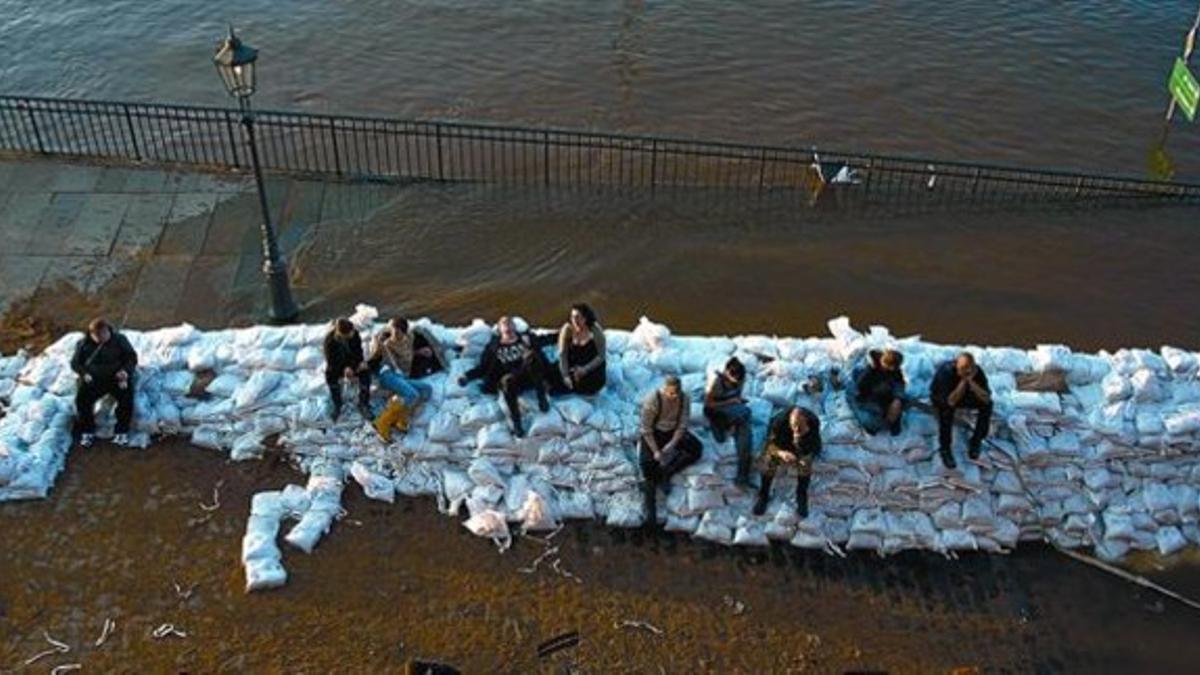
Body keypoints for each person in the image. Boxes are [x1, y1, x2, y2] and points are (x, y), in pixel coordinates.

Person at [458, 316, 551, 438]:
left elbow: (546, 342)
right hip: (510, 380)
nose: (507, 326)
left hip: (528, 375)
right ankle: (517, 423)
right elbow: (483, 367)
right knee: (507, 381)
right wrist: (467, 376)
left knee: (531, 356)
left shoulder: (525, 339)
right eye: (504, 324)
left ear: (515, 327)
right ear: (500, 329)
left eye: (510, 323)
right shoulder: (494, 347)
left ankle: (541, 397)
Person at [638, 376, 703, 530]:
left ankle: (667, 472)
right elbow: (646, 429)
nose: (674, 397)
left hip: (672, 433)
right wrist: (656, 451)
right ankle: (651, 513)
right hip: (654, 433)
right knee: (648, 466)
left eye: (677, 393)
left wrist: (671, 445)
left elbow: (682, 424)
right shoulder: (653, 400)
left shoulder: (684, 398)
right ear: (665, 390)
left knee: (696, 449)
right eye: (671, 394)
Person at [368, 317, 445, 439]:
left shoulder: (410, 338)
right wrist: (378, 343)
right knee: (412, 394)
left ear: (404, 332)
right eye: (392, 331)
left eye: (397, 332)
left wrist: (420, 352)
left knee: (427, 390)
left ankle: (400, 417)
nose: (394, 334)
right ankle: (382, 422)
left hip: (402, 376)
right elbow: (375, 357)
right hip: (388, 374)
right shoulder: (387, 344)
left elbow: (406, 353)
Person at [70, 318, 138, 448]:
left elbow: (131, 357)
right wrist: (84, 373)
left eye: (104, 334)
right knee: (82, 400)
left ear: (108, 331)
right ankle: (87, 431)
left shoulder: (119, 340)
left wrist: (125, 371)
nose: (102, 338)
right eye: (98, 336)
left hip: (116, 377)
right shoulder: (83, 344)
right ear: (91, 334)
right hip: (94, 380)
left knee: (126, 399)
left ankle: (121, 431)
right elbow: (75, 363)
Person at [753, 407, 822, 517]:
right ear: (790, 421)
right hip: (782, 444)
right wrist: (781, 453)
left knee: (806, 463)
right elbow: (769, 446)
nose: (798, 429)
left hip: (803, 444)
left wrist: (805, 455)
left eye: (801, 427)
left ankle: (801, 497)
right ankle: (764, 495)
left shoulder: (813, 421)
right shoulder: (778, 423)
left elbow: (815, 445)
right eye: (795, 426)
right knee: (769, 461)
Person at [929, 351, 993, 468]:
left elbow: (986, 398)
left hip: (964, 394)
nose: (968, 371)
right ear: (957, 365)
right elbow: (951, 401)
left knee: (987, 405)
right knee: (947, 411)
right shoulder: (946, 372)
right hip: (943, 397)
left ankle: (976, 440)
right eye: (964, 368)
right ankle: (945, 449)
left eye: (970, 367)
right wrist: (964, 381)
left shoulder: (976, 372)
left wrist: (971, 382)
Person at [704, 357, 754, 488]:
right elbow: (709, 404)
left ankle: (742, 477)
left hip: (732, 411)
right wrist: (730, 402)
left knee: (746, 434)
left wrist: (738, 400)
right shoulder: (717, 382)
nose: (737, 381)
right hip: (716, 410)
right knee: (745, 413)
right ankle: (721, 425)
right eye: (734, 379)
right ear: (727, 372)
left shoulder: (741, 378)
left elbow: (737, 395)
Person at [849, 348, 906, 435]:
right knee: (871, 421)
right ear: (885, 365)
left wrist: (897, 399)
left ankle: (892, 419)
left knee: (900, 404)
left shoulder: (895, 370)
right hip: (865, 398)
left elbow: (900, 383)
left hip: (884, 394)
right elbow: (859, 395)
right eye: (892, 368)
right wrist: (879, 408)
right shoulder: (868, 373)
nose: (895, 370)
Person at [323, 318, 371, 421]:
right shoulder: (330, 341)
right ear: (341, 334)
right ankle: (337, 403)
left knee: (365, 373)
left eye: (352, 332)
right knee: (330, 375)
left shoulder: (355, 335)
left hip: (353, 363)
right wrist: (344, 369)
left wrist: (356, 365)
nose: (352, 334)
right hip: (338, 366)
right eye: (349, 334)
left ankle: (363, 403)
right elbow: (331, 360)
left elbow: (359, 352)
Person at [555, 303, 607, 395]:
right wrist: (565, 375)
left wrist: (584, 369)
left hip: (590, 364)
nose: (575, 320)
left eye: (578, 317)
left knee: (591, 384)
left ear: (585, 318)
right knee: (555, 377)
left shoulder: (595, 331)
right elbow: (563, 354)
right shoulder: (567, 329)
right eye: (573, 317)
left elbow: (601, 356)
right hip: (574, 362)